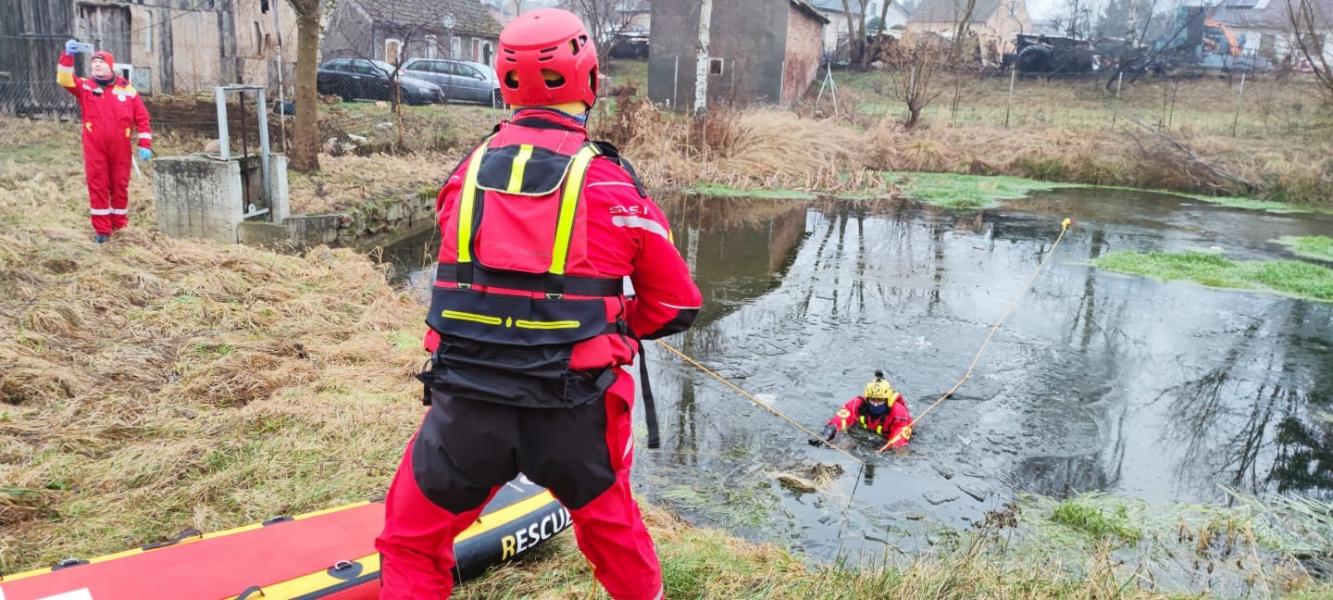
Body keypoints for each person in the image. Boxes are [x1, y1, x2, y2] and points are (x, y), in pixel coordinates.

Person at [374, 9, 702, 600]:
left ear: (502, 81)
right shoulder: (612, 184)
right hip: (575, 410)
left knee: (409, 544)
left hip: (467, 406)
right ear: (591, 79)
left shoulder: (462, 177)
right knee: (612, 536)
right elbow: (677, 305)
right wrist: (616, 320)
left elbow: (466, 270)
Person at [57, 40, 153, 243]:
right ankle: (102, 231)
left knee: (119, 185)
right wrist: (68, 55)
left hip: (121, 147)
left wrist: (145, 144)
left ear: (111, 65)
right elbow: (64, 79)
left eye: (101, 62)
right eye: (94, 63)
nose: (97, 65)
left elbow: (142, 118)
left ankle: (120, 226)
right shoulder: (85, 86)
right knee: (98, 185)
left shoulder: (128, 90)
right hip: (95, 147)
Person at [811, 371, 913, 449]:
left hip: (885, 438)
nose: (875, 404)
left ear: (888, 400)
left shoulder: (899, 413)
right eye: (872, 400)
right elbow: (841, 418)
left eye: (880, 400)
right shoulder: (857, 404)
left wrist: (885, 451)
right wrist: (828, 432)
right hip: (864, 432)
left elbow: (898, 441)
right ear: (867, 398)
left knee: (901, 452)